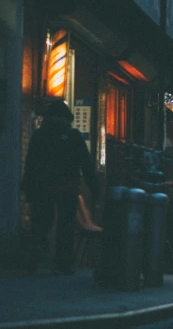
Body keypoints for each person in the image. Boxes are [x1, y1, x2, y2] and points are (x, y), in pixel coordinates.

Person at [22, 101, 100, 274]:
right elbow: (86, 165)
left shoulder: (39, 135)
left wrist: (28, 187)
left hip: (43, 187)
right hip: (67, 187)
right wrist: (95, 189)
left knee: (41, 224)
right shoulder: (73, 135)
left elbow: (31, 164)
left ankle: (34, 259)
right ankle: (63, 263)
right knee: (66, 225)